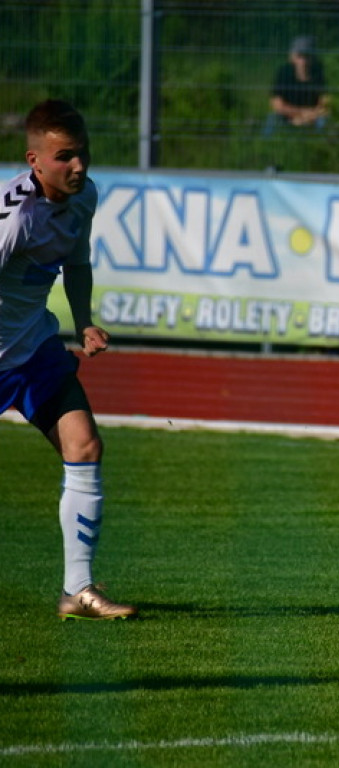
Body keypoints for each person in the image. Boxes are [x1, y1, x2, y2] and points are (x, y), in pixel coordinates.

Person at [0, 100, 136, 620]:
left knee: (85, 445)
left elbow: (77, 264)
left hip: (33, 351)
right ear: (34, 159)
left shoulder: (85, 197)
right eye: (65, 157)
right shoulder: (14, 219)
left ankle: (77, 591)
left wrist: (83, 322)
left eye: (82, 154)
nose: (78, 167)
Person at [264, 36, 329, 135]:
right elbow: (277, 105)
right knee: (272, 119)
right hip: (288, 115)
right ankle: (266, 147)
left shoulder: (319, 73)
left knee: (324, 121)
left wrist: (308, 117)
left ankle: (321, 146)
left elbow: (325, 105)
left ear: (313, 58)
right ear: (292, 57)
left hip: (313, 117)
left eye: (307, 56)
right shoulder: (283, 73)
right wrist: (300, 114)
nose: (303, 61)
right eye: (300, 56)